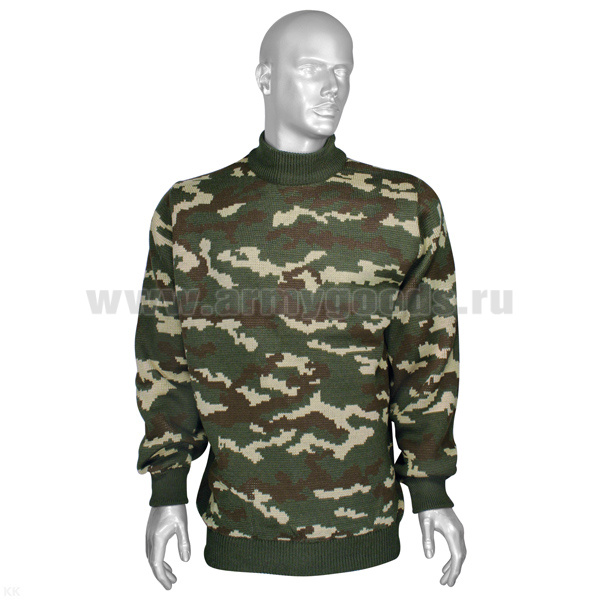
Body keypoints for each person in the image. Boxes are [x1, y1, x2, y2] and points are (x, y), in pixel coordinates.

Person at [135, 9, 466, 587]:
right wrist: (167, 491)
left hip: (370, 538)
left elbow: (427, 363)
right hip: (234, 533)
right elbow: (165, 361)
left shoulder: (403, 205)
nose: (332, 86)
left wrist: (431, 490)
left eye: (343, 70)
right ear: (265, 77)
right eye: (312, 68)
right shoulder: (190, 211)